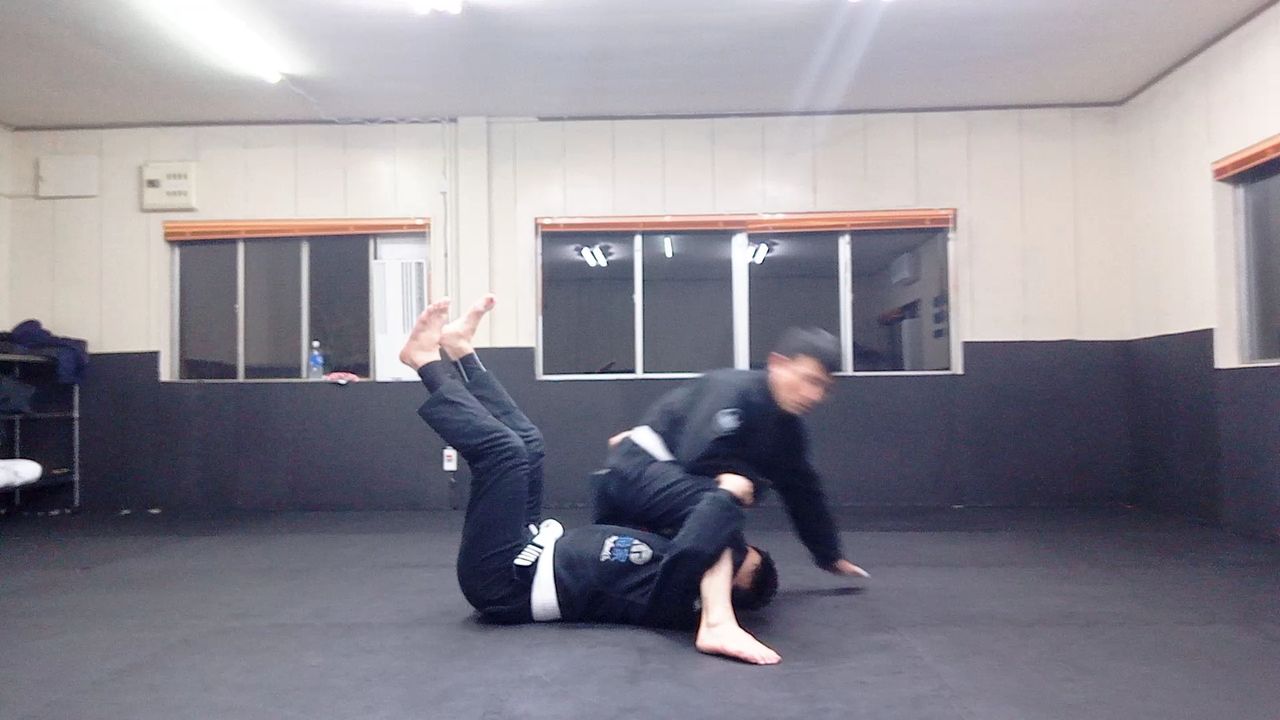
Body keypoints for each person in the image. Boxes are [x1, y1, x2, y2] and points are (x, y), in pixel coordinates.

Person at [402, 294, 781, 665]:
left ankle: (424, 361)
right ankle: (461, 351)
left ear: (732, 591)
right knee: (529, 443)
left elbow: (701, 540)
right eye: (738, 549)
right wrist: (636, 451)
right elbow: (627, 502)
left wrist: (726, 498)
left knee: (504, 454)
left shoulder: (675, 598)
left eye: (735, 563)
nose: (726, 552)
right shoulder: (665, 549)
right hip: (528, 545)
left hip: (504, 582)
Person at [594, 328, 869, 580]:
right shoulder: (733, 391)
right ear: (778, 364)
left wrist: (829, 555)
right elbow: (696, 455)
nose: (814, 395)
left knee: (743, 560)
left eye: (823, 387)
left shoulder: (788, 429)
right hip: (634, 473)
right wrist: (747, 482)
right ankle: (688, 594)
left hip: (666, 483)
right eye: (809, 380)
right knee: (722, 511)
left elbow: (803, 492)